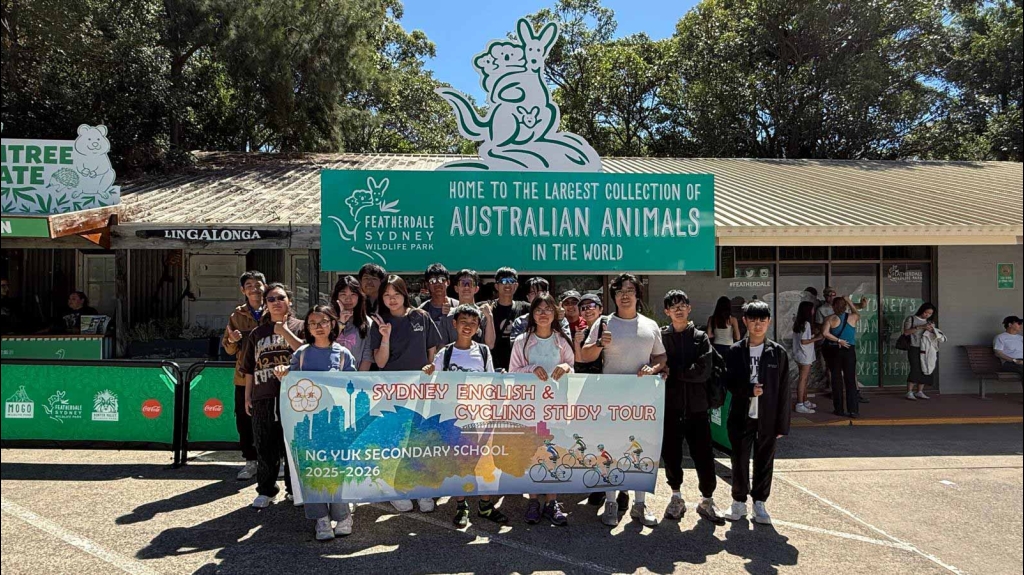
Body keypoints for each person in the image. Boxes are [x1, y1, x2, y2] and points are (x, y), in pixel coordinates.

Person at [580, 273, 666, 528]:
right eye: (619, 291)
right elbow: (585, 355)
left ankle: (640, 504)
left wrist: (653, 368)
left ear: (638, 295)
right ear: (614, 296)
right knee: (610, 450)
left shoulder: (650, 325)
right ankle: (610, 502)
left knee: (641, 450)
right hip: (610, 400)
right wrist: (599, 343)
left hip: (642, 401)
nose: (625, 295)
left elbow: (661, 357)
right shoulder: (604, 322)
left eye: (630, 290)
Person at [273, 305, 357, 541]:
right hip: (307, 424)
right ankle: (320, 518)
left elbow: (353, 386)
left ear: (332, 324)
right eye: (313, 323)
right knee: (312, 469)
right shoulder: (301, 354)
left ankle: (342, 516)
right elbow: (291, 383)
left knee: (337, 468)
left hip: (336, 423)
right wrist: (283, 373)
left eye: (323, 322)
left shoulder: (343, 354)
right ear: (307, 328)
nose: (318, 327)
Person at [420, 304, 507, 528]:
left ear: (478, 327)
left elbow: (491, 382)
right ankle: (461, 505)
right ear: (454, 324)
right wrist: (429, 371)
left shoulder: (484, 352)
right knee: (459, 463)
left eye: (473, 323)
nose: (468, 326)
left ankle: (485, 506)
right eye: (463, 322)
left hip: (480, 417)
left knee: (485, 463)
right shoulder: (445, 353)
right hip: (454, 418)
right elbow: (434, 382)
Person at [370, 275, 443, 514]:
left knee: (419, 439)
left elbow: (432, 349)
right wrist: (385, 337)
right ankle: (394, 490)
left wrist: (430, 368)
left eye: (396, 294)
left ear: (404, 294)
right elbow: (380, 363)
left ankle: (421, 488)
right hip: (392, 391)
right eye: (387, 295)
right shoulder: (379, 322)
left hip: (420, 389)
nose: (392, 300)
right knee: (394, 440)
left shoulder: (420, 316)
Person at [721, 301, 791, 526]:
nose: (757, 324)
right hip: (741, 415)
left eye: (762, 320)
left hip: (768, 417)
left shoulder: (777, 353)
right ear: (745, 321)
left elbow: (784, 390)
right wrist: (749, 390)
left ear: (769, 322)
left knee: (764, 461)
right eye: (753, 320)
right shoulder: (735, 351)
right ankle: (738, 501)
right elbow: (728, 382)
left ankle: (760, 503)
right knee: (739, 460)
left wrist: (782, 424)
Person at [660, 290, 725, 525]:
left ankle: (707, 500)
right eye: (673, 306)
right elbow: (656, 366)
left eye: (682, 305)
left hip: (697, 408)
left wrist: (673, 372)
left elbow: (702, 371)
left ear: (689, 308)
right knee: (671, 454)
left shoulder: (700, 337)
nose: (678, 310)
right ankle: (676, 497)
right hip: (670, 407)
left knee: (704, 455)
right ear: (667, 311)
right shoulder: (661, 337)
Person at [510, 294, 575, 527]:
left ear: (555, 312)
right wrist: (531, 368)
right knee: (532, 454)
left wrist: (566, 367)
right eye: (539, 309)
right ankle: (533, 501)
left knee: (554, 454)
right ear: (532, 314)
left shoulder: (562, 340)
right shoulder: (522, 341)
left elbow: (572, 368)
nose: (544, 313)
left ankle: (552, 502)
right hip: (530, 409)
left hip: (555, 408)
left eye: (548, 309)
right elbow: (513, 372)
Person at [240, 283, 304, 509]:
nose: (276, 302)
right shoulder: (257, 333)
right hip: (263, 394)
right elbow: (249, 367)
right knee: (265, 444)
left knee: (292, 445)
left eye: (281, 298)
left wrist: (284, 332)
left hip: (295, 397)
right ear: (265, 304)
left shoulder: (300, 326)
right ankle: (266, 490)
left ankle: (294, 489)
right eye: (271, 299)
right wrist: (248, 396)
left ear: (289, 301)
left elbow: (306, 354)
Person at [222, 271, 266, 481]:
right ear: (243, 290)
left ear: (265, 286)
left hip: (270, 377)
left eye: (258, 284)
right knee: (244, 421)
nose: (254, 289)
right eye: (249, 285)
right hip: (243, 377)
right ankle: (250, 461)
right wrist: (232, 340)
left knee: (273, 421)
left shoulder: (275, 309)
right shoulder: (236, 315)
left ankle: (276, 461)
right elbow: (229, 349)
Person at [822, 296, 861, 418]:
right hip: (849, 349)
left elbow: (825, 333)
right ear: (845, 306)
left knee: (836, 379)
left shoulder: (830, 319)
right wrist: (849, 301)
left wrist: (838, 340)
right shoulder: (853, 317)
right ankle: (853, 410)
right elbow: (856, 312)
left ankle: (839, 409)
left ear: (833, 306)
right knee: (850, 380)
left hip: (835, 350)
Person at [438, 269, 496, 349]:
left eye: (470, 283)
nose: (466, 287)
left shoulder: (484, 314)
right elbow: (442, 347)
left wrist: (490, 317)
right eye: (463, 283)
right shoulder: (448, 315)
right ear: (456, 288)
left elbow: (490, 345)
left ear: (476, 289)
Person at [489, 267, 530, 372]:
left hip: (518, 364)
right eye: (503, 281)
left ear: (516, 285)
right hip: (493, 365)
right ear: (496, 286)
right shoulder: (487, 307)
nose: (507, 285)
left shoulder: (526, 308)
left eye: (511, 281)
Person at [330, 275, 374, 371]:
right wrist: (340, 323)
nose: (348, 299)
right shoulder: (327, 319)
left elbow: (367, 356)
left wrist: (358, 377)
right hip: (328, 373)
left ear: (359, 297)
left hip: (355, 375)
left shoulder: (367, 323)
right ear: (336, 296)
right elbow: (323, 344)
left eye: (353, 294)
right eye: (343, 294)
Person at [419, 263, 460, 345]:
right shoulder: (422, 311)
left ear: (448, 282)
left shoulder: (458, 306)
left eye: (442, 279)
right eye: (432, 281)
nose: (437, 283)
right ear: (427, 285)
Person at [903, 303, 938, 401]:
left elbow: (933, 336)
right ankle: (909, 392)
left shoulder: (929, 321)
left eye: (930, 314)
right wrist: (921, 326)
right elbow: (906, 332)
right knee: (915, 368)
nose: (927, 315)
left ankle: (919, 391)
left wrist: (933, 330)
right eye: (926, 312)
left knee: (925, 368)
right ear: (922, 310)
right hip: (914, 347)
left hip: (926, 348)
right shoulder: (911, 319)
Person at [792, 301, 821, 414]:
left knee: (804, 379)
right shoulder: (806, 324)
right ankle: (800, 403)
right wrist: (818, 338)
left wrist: (813, 335)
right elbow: (804, 341)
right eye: (812, 309)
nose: (813, 311)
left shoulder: (798, 322)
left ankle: (804, 400)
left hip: (799, 354)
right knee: (803, 379)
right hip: (805, 355)